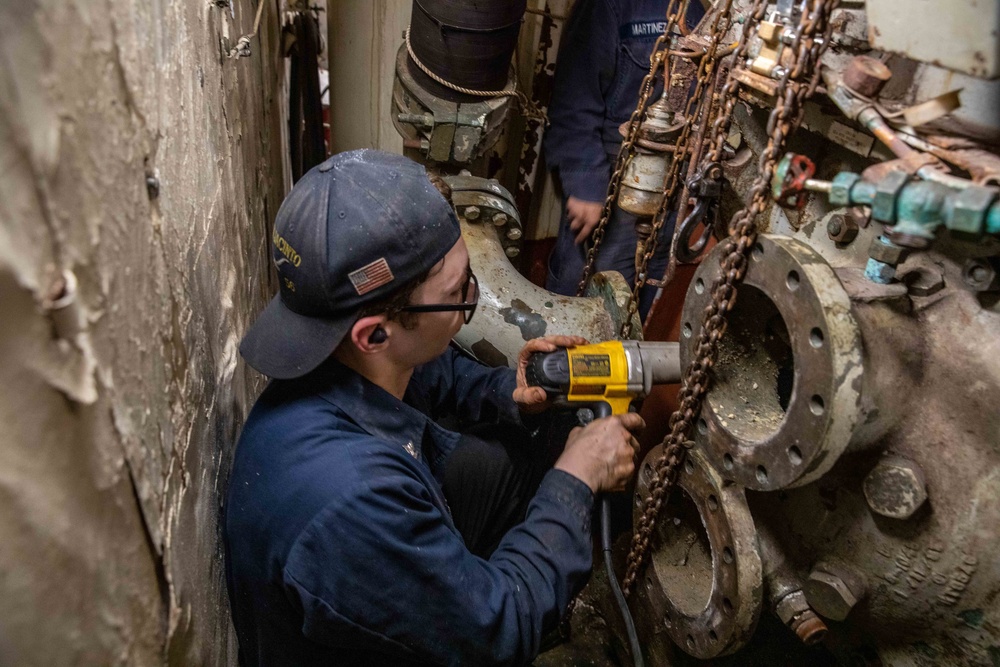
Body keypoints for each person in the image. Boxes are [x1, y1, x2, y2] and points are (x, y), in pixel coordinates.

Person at [224, 149, 644, 666]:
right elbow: (498, 629)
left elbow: (430, 372)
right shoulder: (353, 503)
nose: (470, 301)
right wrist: (576, 481)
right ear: (374, 333)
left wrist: (504, 391)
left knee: (509, 459)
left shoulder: (337, 356)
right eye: (459, 294)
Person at [544, 0, 704, 318]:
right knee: (585, 311)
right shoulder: (608, 7)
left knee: (639, 312)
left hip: (673, 193)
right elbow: (575, 99)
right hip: (612, 189)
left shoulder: (701, 11)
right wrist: (586, 185)